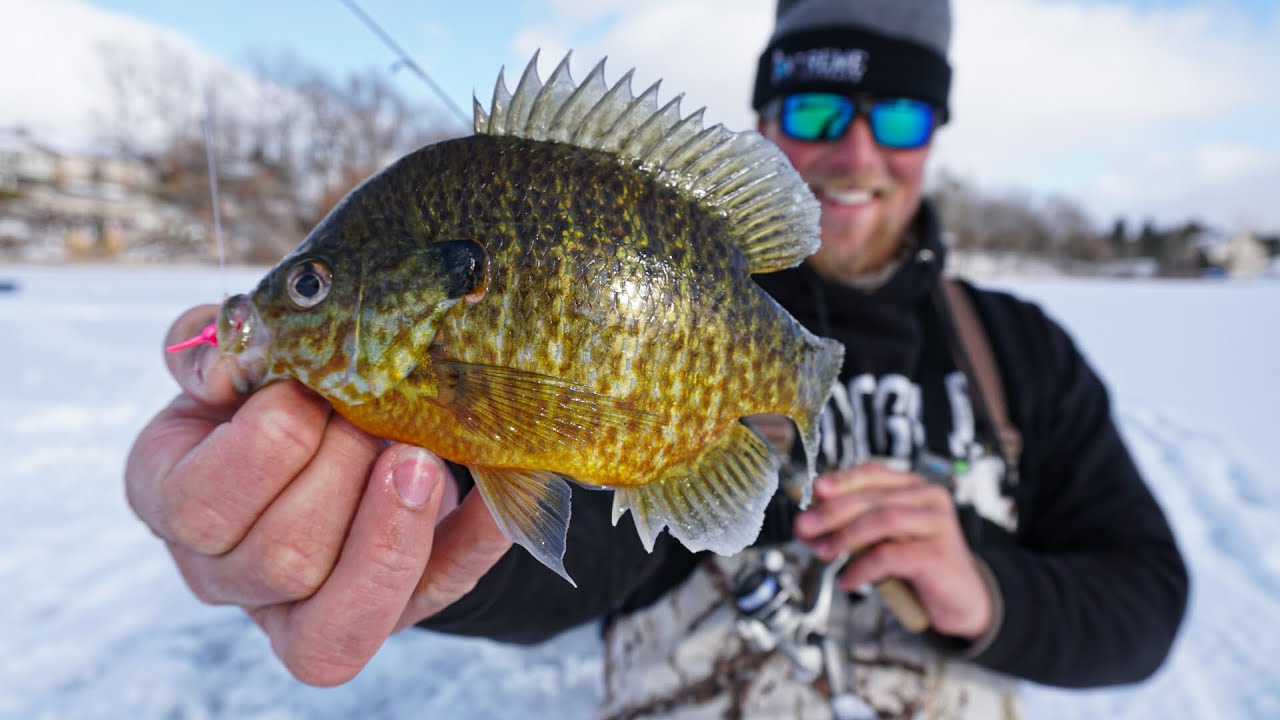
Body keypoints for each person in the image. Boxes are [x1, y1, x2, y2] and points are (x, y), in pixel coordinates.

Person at [125, 0, 1188, 716]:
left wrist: (984, 592)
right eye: (816, 106)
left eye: (900, 113)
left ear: (933, 132)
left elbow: (1146, 602)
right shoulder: (691, 273)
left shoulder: (1023, 356)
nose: (856, 150)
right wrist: (406, 540)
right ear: (767, 114)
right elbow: (590, 548)